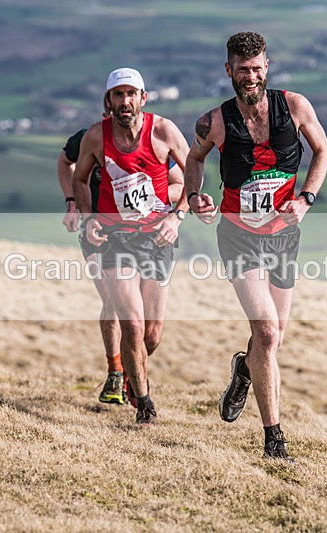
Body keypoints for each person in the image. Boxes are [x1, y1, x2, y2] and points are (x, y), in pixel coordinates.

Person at [184, 32, 327, 461]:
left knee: (275, 339)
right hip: (238, 235)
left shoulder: (296, 107)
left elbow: (322, 152)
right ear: (228, 71)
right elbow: (195, 161)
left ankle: (244, 370)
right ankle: (274, 439)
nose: (250, 76)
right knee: (264, 331)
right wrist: (196, 198)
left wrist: (305, 199)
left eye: (257, 67)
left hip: (284, 235)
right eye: (241, 69)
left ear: (267, 67)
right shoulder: (212, 122)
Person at [72, 67, 190, 423]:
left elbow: (194, 173)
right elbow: (79, 178)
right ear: (109, 101)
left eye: (131, 94)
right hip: (115, 238)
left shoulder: (164, 130)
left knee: (151, 335)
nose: (125, 101)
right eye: (117, 95)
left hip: (156, 238)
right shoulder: (96, 136)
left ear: (143, 98)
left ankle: (127, 377)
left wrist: (176, 216)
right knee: (133, 326)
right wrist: (89, 218)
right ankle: (146, 404)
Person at [58, 123, 184, 407]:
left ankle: (130, 373)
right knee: (113, 301)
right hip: (98, 232)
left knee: (145, 331)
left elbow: (179, 183)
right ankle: (115, 372)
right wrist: (72, 204)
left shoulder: (149, 142)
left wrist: (153, 194)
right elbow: (65, 162)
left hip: (141, 235)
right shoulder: (88, 137)